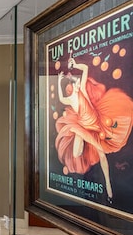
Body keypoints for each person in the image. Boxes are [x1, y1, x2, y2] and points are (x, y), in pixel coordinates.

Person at [55, 57, 133, 202]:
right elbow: (61, 98)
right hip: (83, 127)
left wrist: (76, 64)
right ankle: (108, 190)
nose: (79, 83)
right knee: (83, 152)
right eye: (76, 82)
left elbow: (85, 69)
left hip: (96, 125)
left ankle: (108, 189)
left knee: (98, 153)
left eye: (78, 81)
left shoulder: (83, 91)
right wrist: (59, 81)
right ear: (72, 88)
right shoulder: (71, 99)